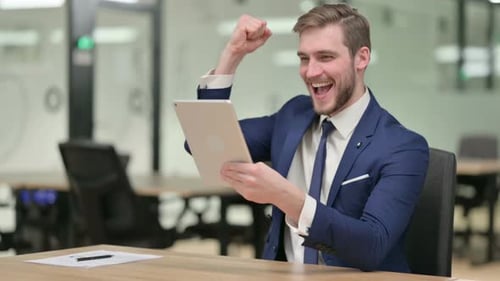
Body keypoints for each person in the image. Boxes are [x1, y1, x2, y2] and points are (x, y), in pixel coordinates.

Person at [192, 3, 429, 272]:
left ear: (361, 58)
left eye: (325, 57)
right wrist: (231, 55)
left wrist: (286, 197)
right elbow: (203, 143)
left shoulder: (402, 147)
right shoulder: (294, 116)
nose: (311, 72)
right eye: (304, 58)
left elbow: (371, 246)